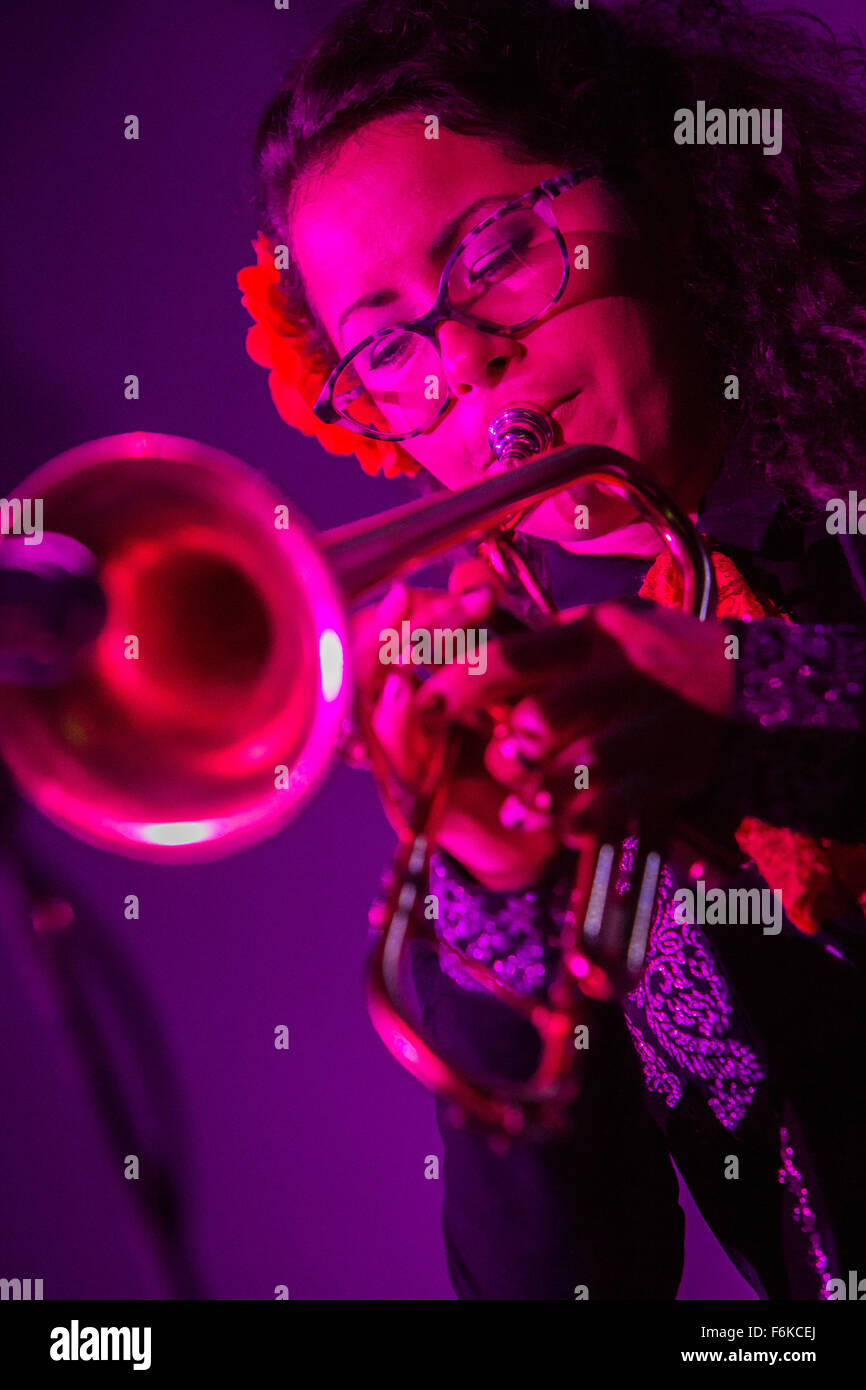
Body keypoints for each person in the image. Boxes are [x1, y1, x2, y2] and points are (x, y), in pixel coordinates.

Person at [239, 0, 866, 1299]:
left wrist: (762, 699)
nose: (459, 363)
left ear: (664, 197)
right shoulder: (568, 726)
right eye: (384, 351)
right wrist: (492, 893)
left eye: (495, 252)